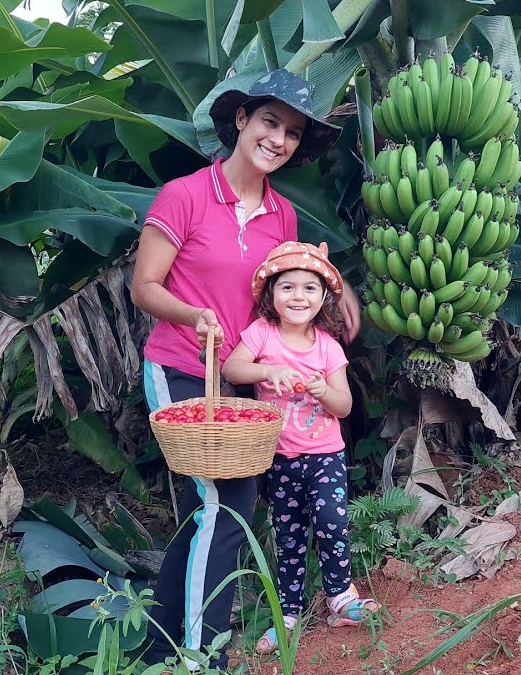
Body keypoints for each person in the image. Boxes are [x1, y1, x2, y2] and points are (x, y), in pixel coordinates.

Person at [129, 69, 359, 670]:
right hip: (180, 366)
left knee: (209, 509)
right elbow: (144, 287)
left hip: (241, 377)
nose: (278, 139)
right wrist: (194, 314)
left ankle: (162, 645)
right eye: (268, 121)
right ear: (240, 120)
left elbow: (286, 292)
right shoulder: (184, 195)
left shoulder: (282, 217)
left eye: (291, 132)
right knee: (227, 504)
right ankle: (204, 652)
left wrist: (335, 302)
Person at [221, 241, 380, 654]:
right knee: (288, 537)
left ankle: (340, 596)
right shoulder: (262, 334)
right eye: (287, 287)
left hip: (325, 455)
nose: (298, 296)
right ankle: (287, 612)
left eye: (310, 288)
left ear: (325, 296)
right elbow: (231, 367)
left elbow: (343, 406)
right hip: (278, 459)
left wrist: (324, 390)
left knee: (331, 521)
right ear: (271, 295)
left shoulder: (328, 345)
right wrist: (267, 369)